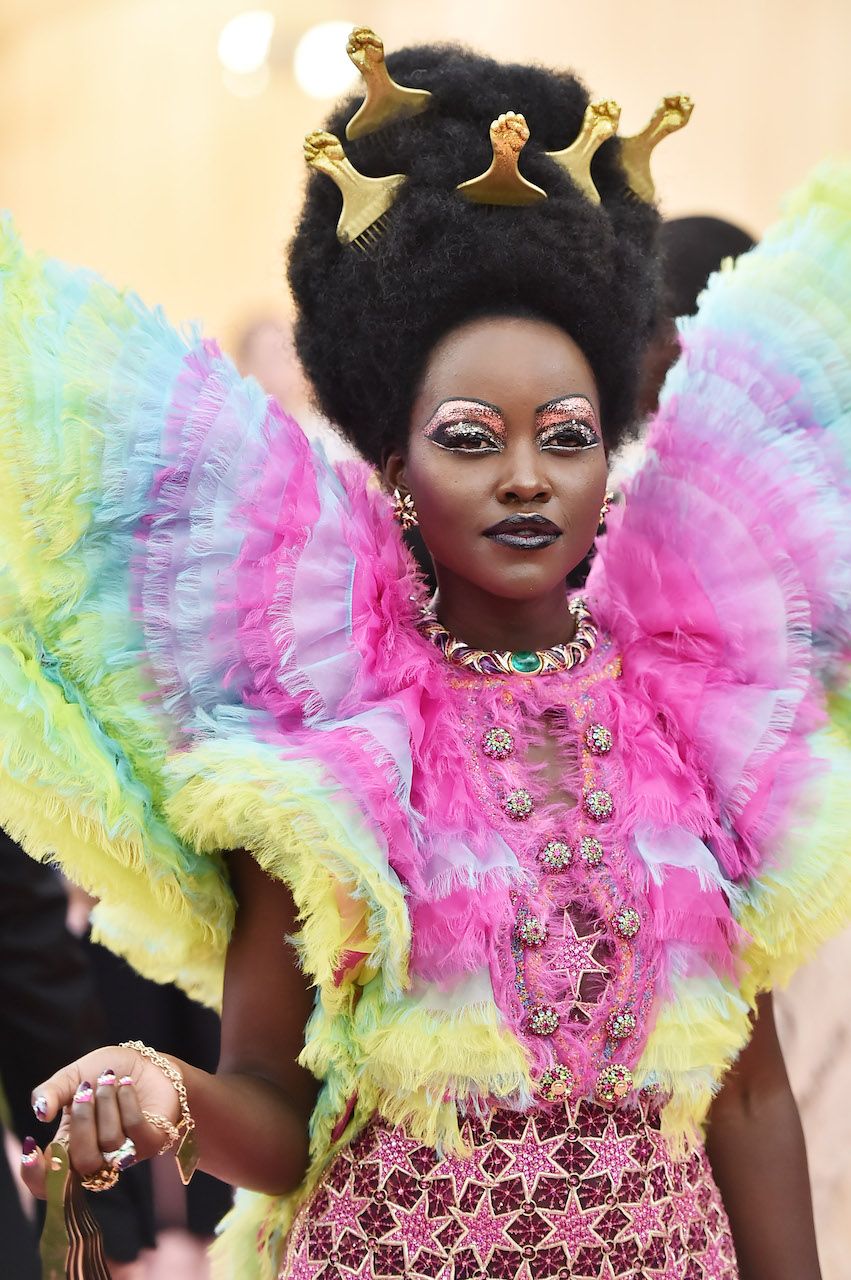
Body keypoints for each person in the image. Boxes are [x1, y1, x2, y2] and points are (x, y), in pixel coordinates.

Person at [0, 29, 848, 1280]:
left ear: (604, 452)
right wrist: (166, 1085)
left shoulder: (684, 716)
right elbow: (279, 1116)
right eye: (469, 435)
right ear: (396, 468)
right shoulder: (336, 748)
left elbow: (749, 1098)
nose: (522, 474)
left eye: (563, 434)